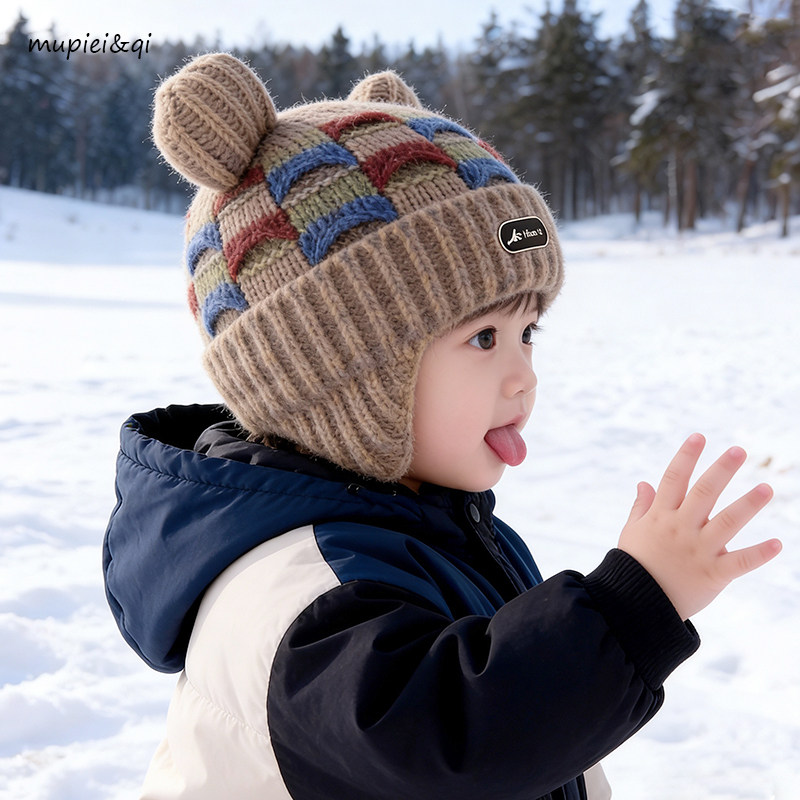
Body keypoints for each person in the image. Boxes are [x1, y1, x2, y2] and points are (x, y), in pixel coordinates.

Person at [103, 53, 781, 800]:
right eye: (483, 338)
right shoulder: (299, 591)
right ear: (340, 372)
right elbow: (459, 743)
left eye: (528, 332)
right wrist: (634, 606)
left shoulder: (428, 523)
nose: (523, 376)